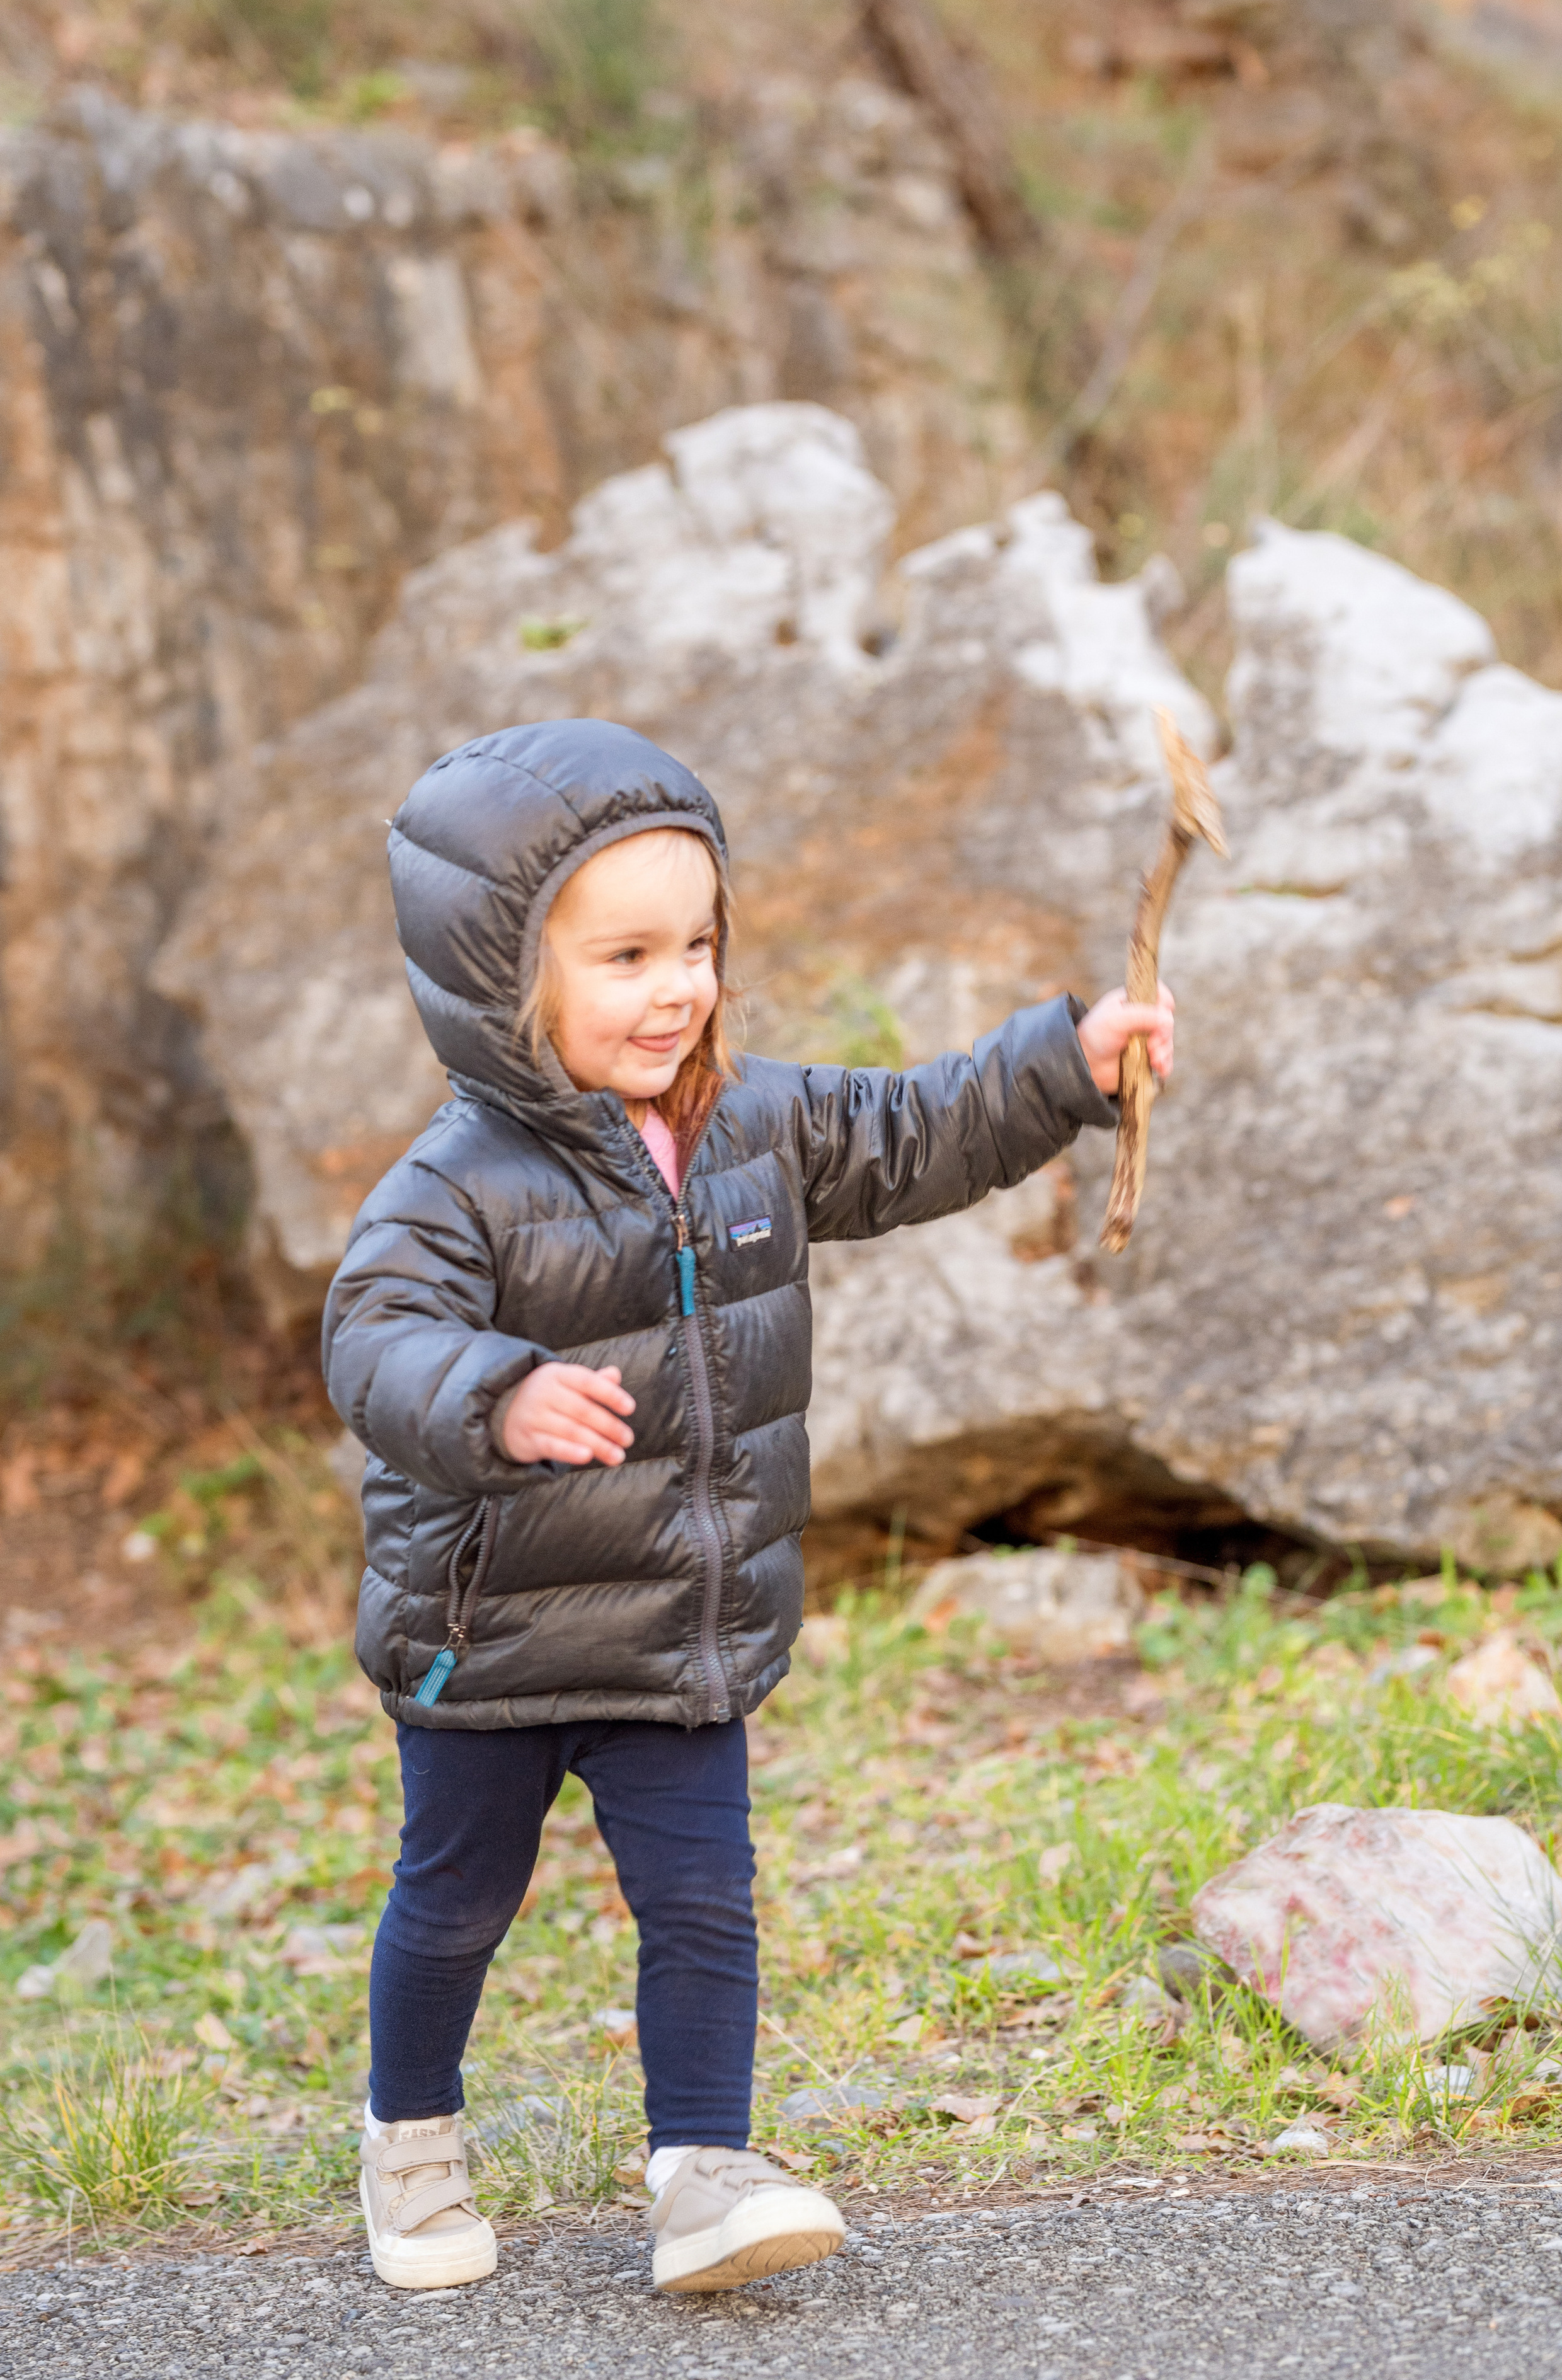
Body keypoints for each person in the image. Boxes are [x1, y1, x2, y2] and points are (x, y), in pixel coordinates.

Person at [323, 718, 1174, 2295]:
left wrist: (1062, 1064)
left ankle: (701, 2169)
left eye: (697, 944)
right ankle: (411, 2137)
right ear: (503, 979)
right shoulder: (451, 1186)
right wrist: (496, 1394)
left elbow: (916, 1131)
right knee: (452, 1903)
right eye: (625, 955)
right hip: (489, 1636)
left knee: (704, 1900)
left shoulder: (753, 1128)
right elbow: (374, 1340)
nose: (678, 988)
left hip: (679, 1626)